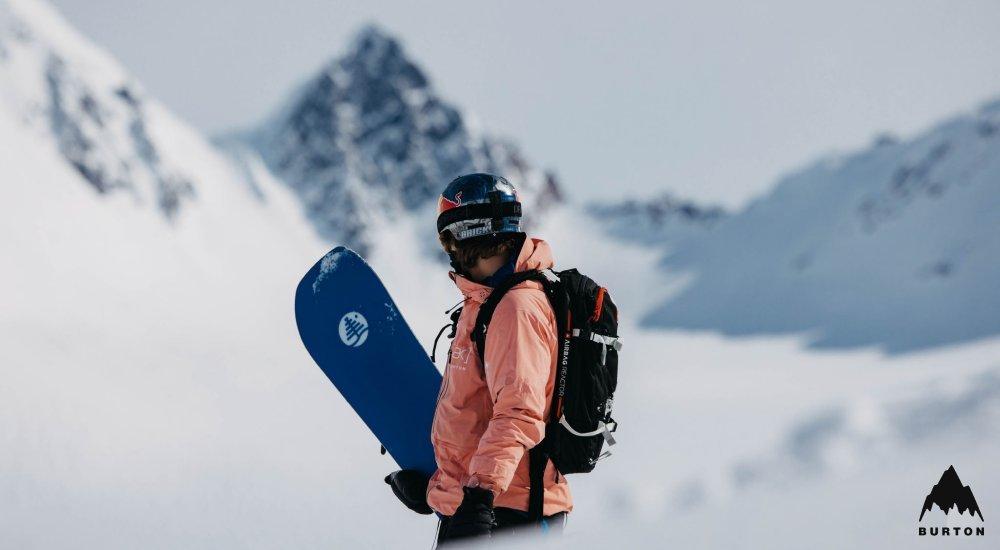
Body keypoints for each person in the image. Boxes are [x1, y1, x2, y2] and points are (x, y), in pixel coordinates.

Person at [385, 173, 570, 546]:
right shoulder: (483, 302)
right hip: (479, 506)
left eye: (448, 237)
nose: (448, 250)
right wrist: (437, 490)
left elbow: (519, 412)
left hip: (508, 513)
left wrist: (480, 497)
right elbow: (475, 412)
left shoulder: (516, 307)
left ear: (470, 233)